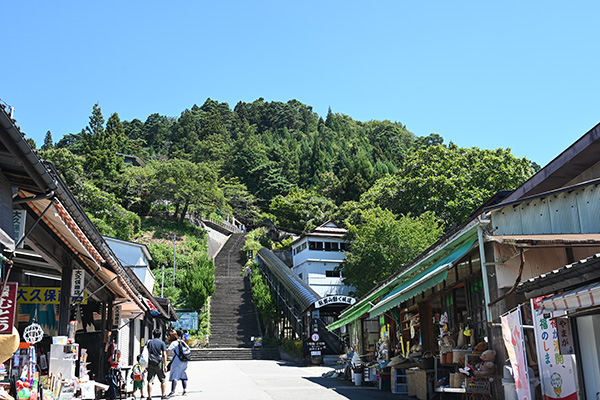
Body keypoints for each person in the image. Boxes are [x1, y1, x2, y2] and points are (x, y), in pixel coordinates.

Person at [146, 328, 168, 400]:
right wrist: (165, 365)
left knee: (150, 381)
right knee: (162, 380)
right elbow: (164, 355)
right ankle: (163, 395)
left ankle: (149, 396)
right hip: (159, 363)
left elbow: (145, 352)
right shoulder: (162, 343)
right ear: (160, 335)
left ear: (153, 334)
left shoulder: (149, 342)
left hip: (150, 362)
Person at [166, 330, 189, 397]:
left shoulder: (174, 343)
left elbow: (168, 351)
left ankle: (172, 391)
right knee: (183, 375)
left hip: (177, 361)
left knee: (174, 376)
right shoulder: (183, 342)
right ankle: (184, 391)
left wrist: (164, 356)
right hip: (185, 360)